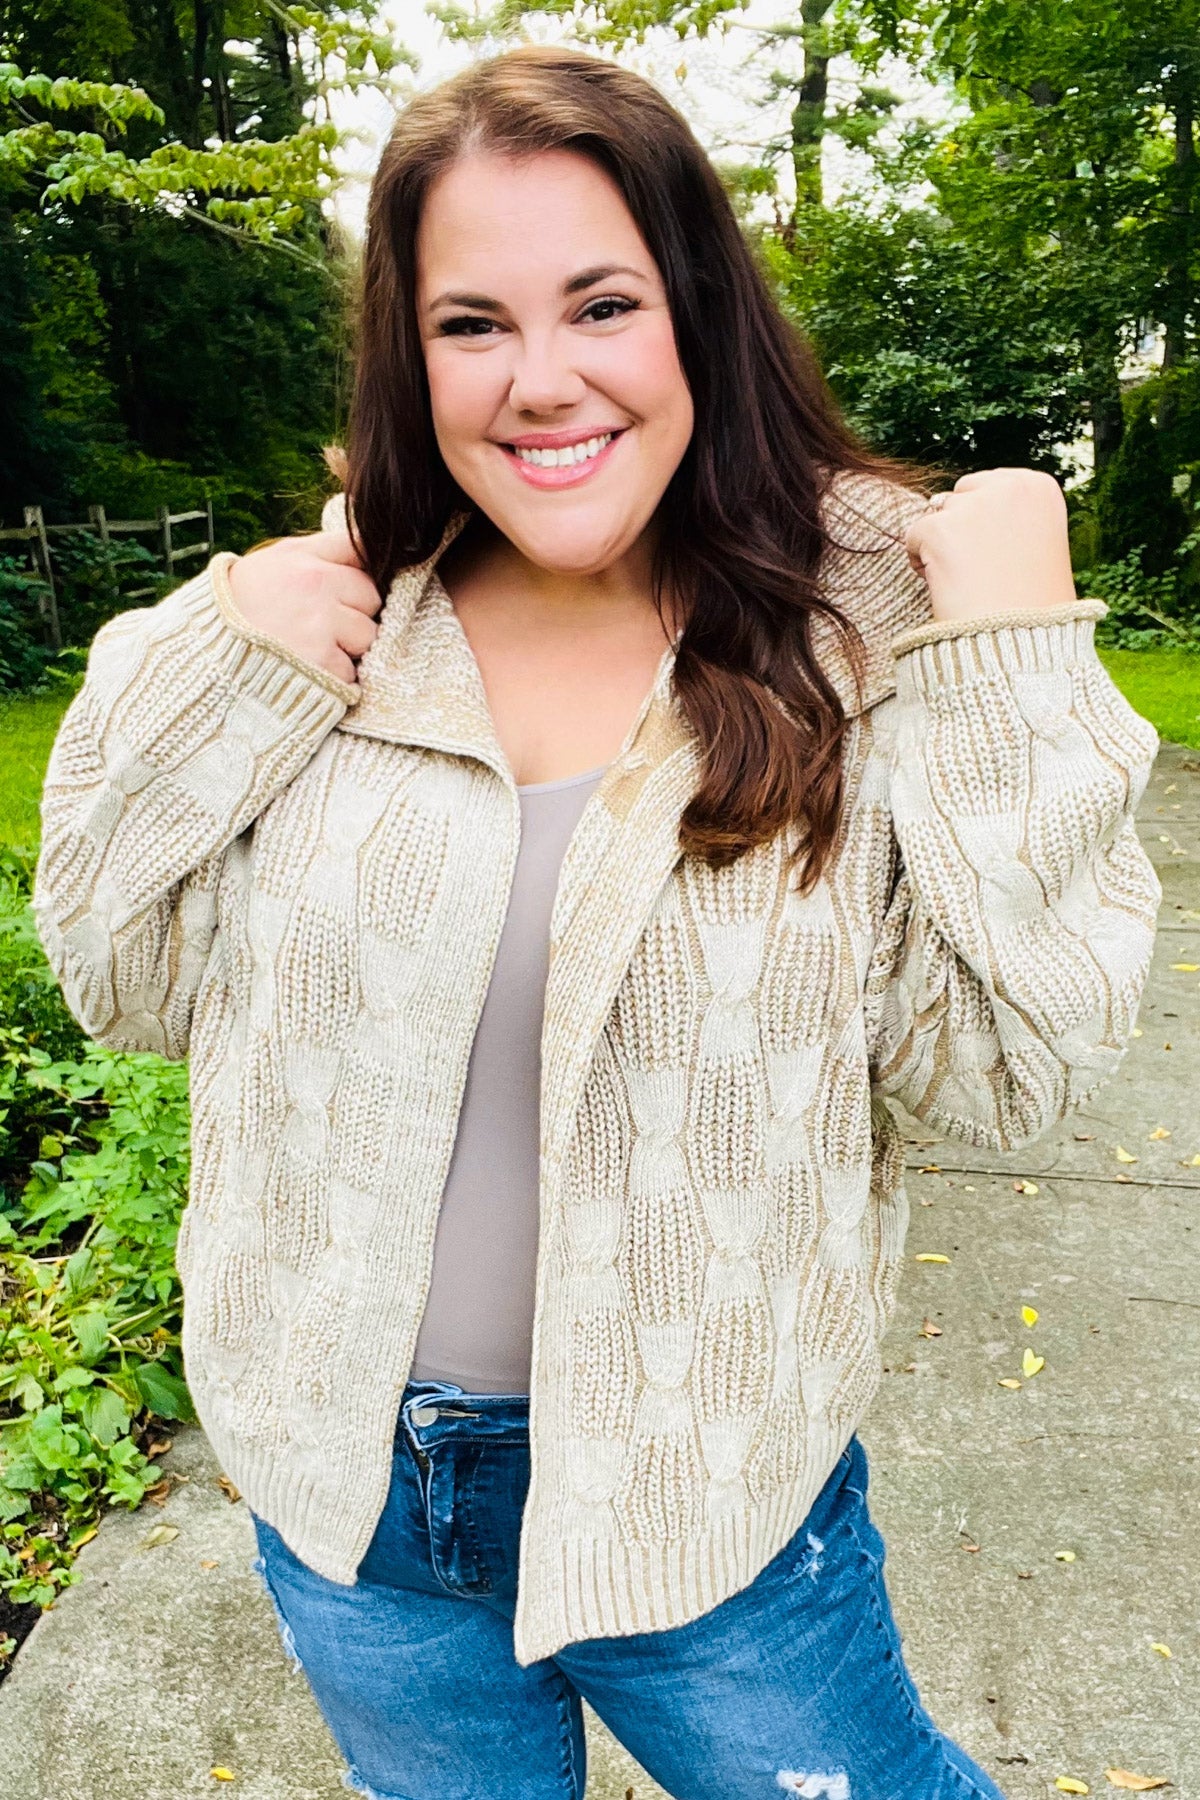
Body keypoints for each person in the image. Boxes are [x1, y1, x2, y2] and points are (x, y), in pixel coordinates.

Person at [33, 43, 1161, 1800]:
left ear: (698, 310)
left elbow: (1015, 1074)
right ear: (409, 357)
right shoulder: (339, 637)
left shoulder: (861, 642)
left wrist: (1011, 656)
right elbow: (120, 977)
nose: (540, 379)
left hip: (712, 1515)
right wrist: (214, 663)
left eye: (602, 304)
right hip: (351, 1510)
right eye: (470, 322)